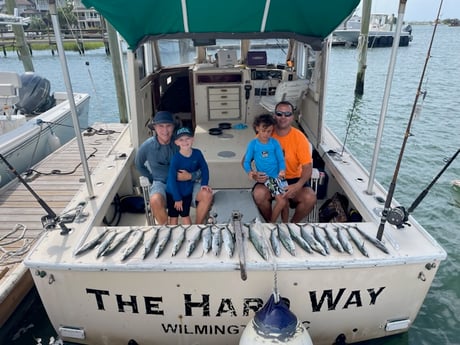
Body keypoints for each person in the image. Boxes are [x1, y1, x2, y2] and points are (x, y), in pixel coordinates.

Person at [135, 111, 212, 224]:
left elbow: (201, 169)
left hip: (186, 184)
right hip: (161, 183)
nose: (165, 131)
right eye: (161, 126)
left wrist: (190, 176)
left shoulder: (181, 143)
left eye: (168, 126)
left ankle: (198, 226)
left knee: (207, 195)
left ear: (173, 127)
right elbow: (139, 164)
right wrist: (152, 179)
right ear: (155, 128)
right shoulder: (147, 146)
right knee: (155, 200)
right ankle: (167, 230)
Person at [251, 101, 316, 223]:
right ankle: (271, 224)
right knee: (259, 194)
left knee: (310, 197)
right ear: (274, 115)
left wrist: (297, 186)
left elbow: (307, 167)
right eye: (279, 114)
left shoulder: (300, 138)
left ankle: (291, 226)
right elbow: (248, 159)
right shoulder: (265, 134)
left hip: (293, 178)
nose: (283, 117)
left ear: (292, 116)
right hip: (269, 177)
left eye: (287, 114)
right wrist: (254, 174)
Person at [243, 114, 287, 223]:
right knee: (281, 202)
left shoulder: (275, 143)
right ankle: (271, 223)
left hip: (278, 177)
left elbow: (281, 160)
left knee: (285, 202)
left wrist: (282, 170)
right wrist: (250, 172)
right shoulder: (253, 144)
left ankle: (286, 224)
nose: (266, 134)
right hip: (268, 178)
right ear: (257, 128)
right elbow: (246, 162)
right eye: (264, 131)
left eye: (269, 131)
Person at [166, 127, 212, 225]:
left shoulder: (197, 153)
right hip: (173, 193)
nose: (185, 142)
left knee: (185, 215)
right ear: (176, 143)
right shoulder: (176, 159)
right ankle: (172, 236)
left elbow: (204, 168)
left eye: (187, 138)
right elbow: (171, 180)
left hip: (187, 191)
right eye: (181, 140)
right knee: (173, 217)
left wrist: (204, 183)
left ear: (193, 139)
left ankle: (193, 233)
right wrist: (177, 198)